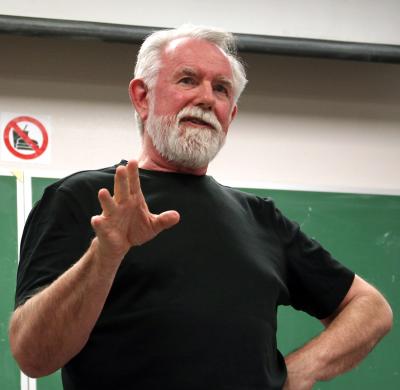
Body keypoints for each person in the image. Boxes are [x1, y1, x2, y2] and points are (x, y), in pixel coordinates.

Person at [9, 24, 392, 390]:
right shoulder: (82, 198)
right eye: (187, 80)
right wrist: (106, 254)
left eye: (222, 89)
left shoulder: (260, 218)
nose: (207, 98)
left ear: (232, 116)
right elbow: (34, 356)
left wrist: (301, 369)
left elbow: (370, 307)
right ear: (142, 97)